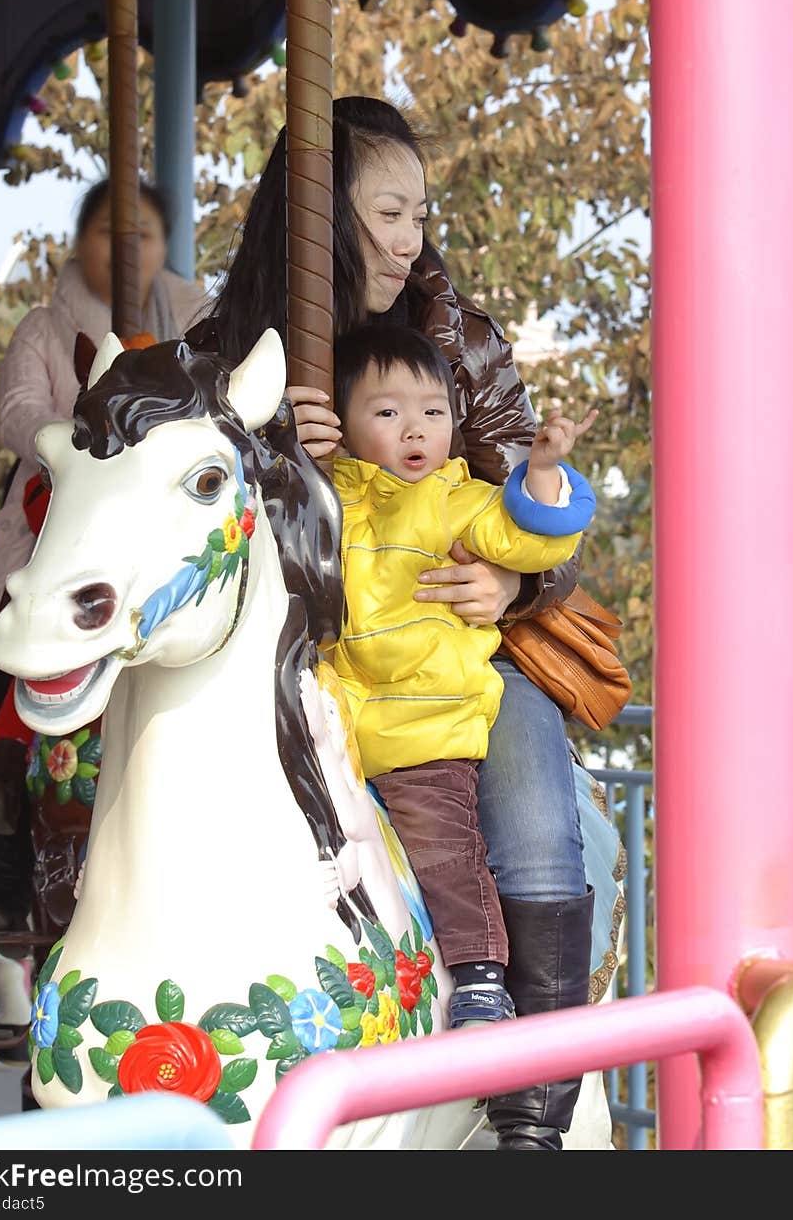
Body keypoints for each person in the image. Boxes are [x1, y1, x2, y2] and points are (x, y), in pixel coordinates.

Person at [203, 94, 603, 1151]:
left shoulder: (458, 341)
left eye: (419, 212)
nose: (407, 237)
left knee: (531, 827)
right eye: (384, 210)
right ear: (316, 212)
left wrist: (513, 592)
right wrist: (274, 446)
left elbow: (535, 509)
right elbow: (182, 508)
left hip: (445, 655)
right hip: (303, 665)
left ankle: (534, 1118)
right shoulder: (233, 349)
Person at [331, 324, 597, 1031]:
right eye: (387, 413)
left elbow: (529, 537)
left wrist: (540, 475)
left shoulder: (458, 499)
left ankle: (481, 973)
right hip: (337, 723)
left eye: (432, 413)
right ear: (343, 423)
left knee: (445, 845)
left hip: (423, 722)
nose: (413, 429)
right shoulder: (329, 498)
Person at [0, 177, 206, 938]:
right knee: (22, 636)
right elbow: (17, 414)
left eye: (144, 235)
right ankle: (2, 835)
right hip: (55, 519)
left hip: (157, 535)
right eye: (109, 233)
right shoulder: (45, 328)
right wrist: (84, 438)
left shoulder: (197, 319)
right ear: (80, 242)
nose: (127, 249)